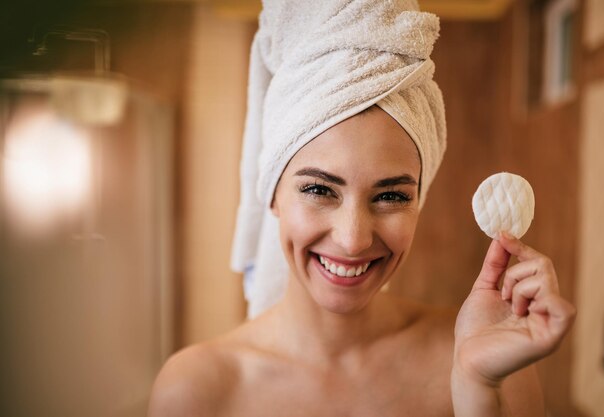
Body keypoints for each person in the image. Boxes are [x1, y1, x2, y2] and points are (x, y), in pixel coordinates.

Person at [148, 1, 576, 416]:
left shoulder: (489, 362)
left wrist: (477, 389)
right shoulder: (196, 392)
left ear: (419, 202)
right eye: (319, 189)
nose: (353, 239)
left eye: (390, 196)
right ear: (273, 195)